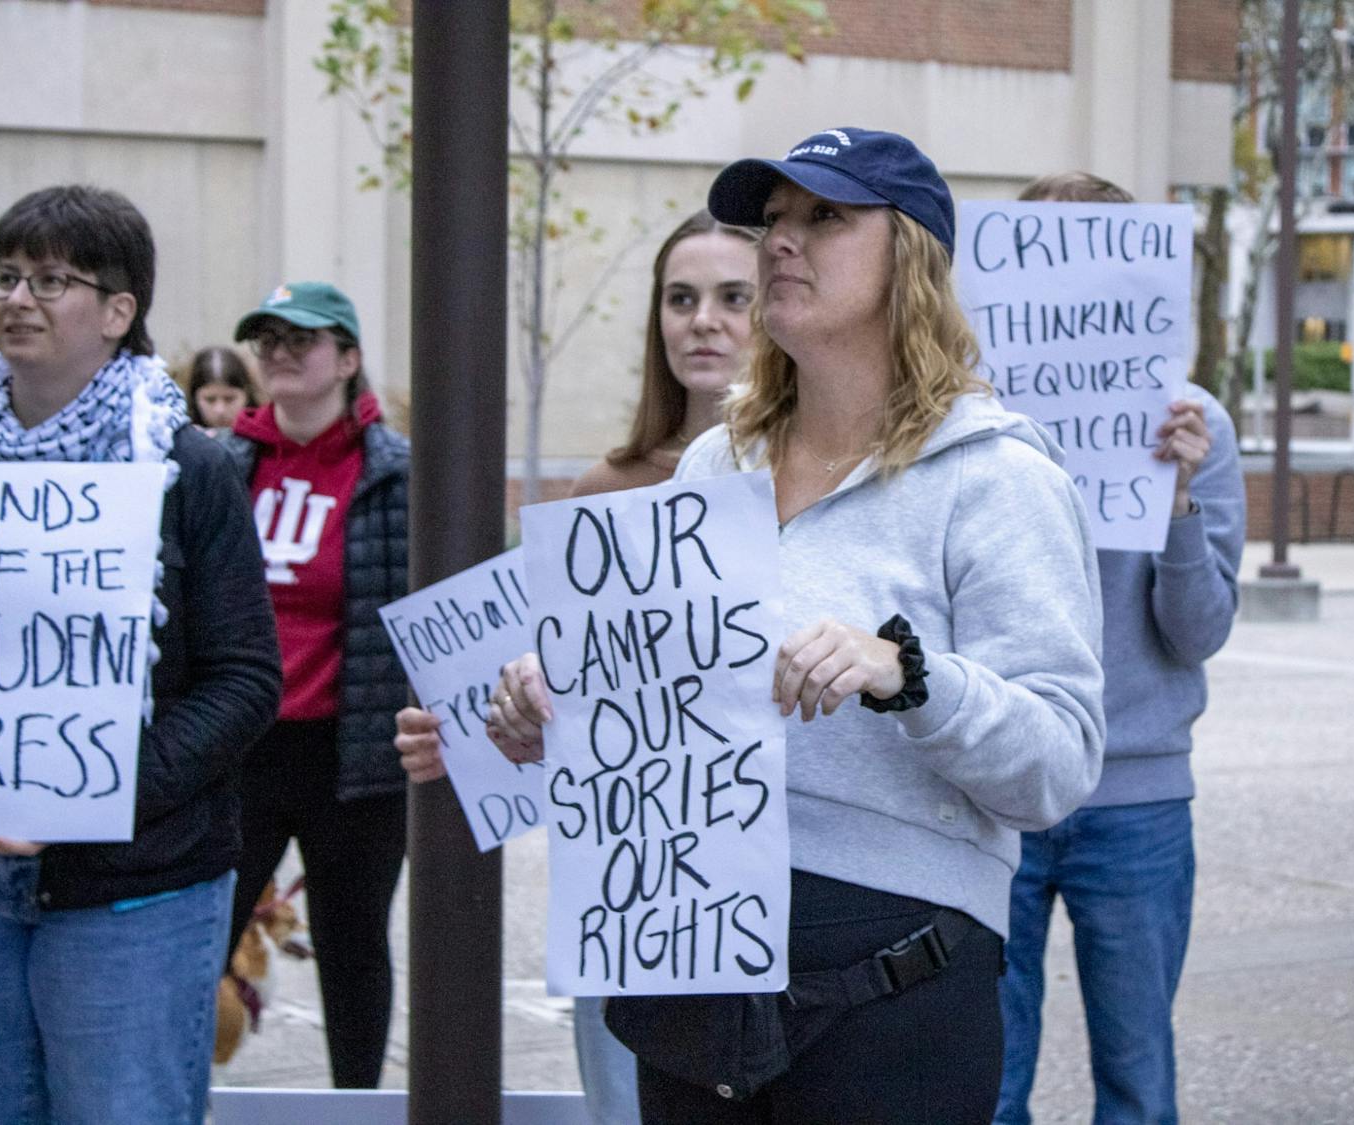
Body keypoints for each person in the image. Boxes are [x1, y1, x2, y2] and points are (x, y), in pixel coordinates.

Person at [438, 128, 1108, 1123]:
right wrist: (562, 696)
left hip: (896, 987)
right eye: (775, 221)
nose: (782, 241)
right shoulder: (717, 464)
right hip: (693, 954)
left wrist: (909, 675)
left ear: (911, 256)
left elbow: (1056, 767)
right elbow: (664, 704)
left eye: (825, 217)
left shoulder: (998, 478)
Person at [396, 208, 758, 1125]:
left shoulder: (816, 480)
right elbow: (552, 698)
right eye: (681, 298)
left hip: (764, 880)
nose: (703, 320)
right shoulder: (603, 489)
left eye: (733, 297)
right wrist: (462, 732)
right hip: (627, 876)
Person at [0, 185, 282, 1124]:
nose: (18, 298)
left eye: (51, 279)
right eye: (6, 276)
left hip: (136, 890)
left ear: (118, 310)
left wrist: (85, 789)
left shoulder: (189, 469)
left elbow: (245, 680)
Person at [994, 171, 1247, 1125]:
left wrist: (1177, 502)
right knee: (987, 1078)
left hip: (1136, 797)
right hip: (1001, 782)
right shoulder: (973, 423)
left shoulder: (1197, 425)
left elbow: (1200, 632)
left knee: (1138, 1078)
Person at [219, 281, 410, 1089]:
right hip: (240, 748)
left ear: (349, 357)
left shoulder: (395, 472)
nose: (281, 353)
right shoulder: (224, 464)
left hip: (353, 752)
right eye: (268, 339)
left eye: (303, 338)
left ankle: (358, 1103)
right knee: (201, 936)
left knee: (352, 946)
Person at [185, 345, 257, 434]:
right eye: (210, 400)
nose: (220, 410)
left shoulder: (266, 436)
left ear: (247, 394)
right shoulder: (177, 438)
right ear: (194, 398)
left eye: (229, 399)